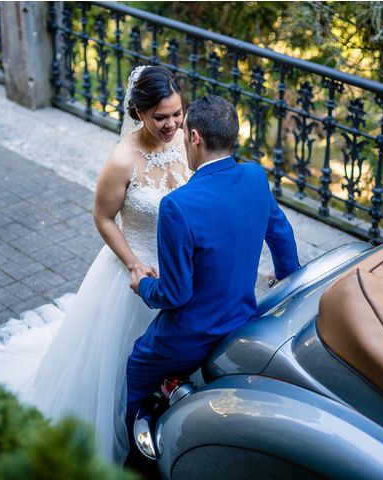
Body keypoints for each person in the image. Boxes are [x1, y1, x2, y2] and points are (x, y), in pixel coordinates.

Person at [0, 65, 189, 463]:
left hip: (178, 270)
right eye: (160, 117)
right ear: (138, 114)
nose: (171, 124)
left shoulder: (184, 138)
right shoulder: (123, 159)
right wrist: (133, 264)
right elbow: (104, 218)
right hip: (135, 274)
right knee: (118, 364)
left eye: (176, 113)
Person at [126, 95, 299, 466]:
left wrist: (142, 285)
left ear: (194, 137)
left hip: (190, 337)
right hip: (241, 320)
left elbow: (174, 293)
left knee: (138, 364)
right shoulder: (255, 176)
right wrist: (284, 279)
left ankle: (139, 457)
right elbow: (282, 235)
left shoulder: (178, 205)